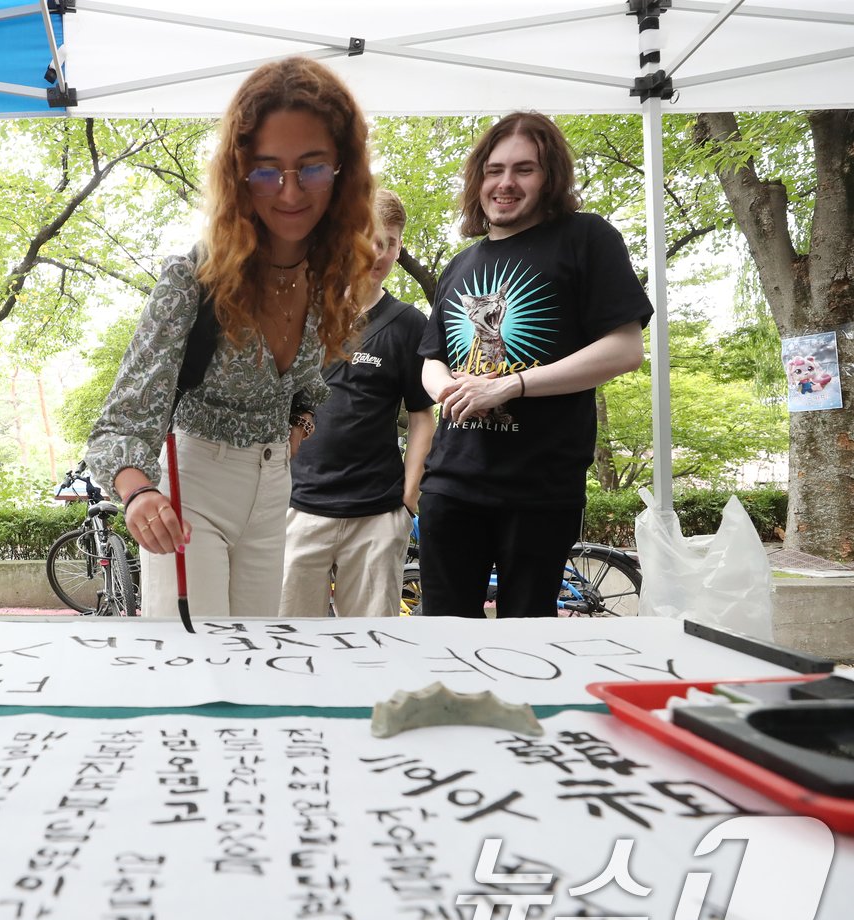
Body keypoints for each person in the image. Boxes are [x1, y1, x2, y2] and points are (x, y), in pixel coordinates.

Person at [85, 56, 376, 618]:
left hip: (273, 493)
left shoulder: (330, 279)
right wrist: (138, 492)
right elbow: (120, 423)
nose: (290, 192)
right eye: (267, 170)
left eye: (312, 168)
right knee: (193, 669)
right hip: (191, 488)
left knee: (258, 659)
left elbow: (309, 389)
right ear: (239, 175)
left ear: (343, 169)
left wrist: (297, 429)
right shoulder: (193, 280)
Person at [416, 111, 652, 617]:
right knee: (440, 635)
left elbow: (625, 348)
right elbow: (431, 357)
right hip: (450, 483)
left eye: (524, 169)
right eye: (494, 169)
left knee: (527, 638)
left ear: (550, 179)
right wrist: (446, 390)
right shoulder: (462, 263)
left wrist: (507, 387)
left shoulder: (587, 238)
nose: (505, 183)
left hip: (539, 489)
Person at [280, 188, 434, 617]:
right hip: (297, 509)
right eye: (369, 238)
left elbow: (422, 416)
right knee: (288, 643)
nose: (379, 252)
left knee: (373, 650)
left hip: (377, 515)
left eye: (391, 241)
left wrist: (408, 498)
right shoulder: (305, 314)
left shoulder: (408, 324)